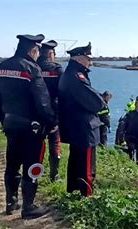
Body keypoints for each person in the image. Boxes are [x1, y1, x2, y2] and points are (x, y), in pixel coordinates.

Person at [0, 34, 57, 219]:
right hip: (32, 127)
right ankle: (29, 206)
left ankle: (11, 201)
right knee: (32, 164)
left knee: (12, 162)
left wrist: (2, 114)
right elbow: (42, 102)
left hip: (10, 123)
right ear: (33, 50)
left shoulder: (0, 67)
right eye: (37, 51)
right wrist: (52, 122)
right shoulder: (32, 69)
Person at [58, 42, 106, 197]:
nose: (90, 62)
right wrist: (102, 100)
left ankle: (73, 193)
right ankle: (87, 196)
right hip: (84, 128)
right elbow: (95, 102)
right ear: (79, 59)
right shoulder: (76, 77)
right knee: (86, 166)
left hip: (76, 127)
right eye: (88, 58)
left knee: (76, 162)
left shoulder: (71, 74)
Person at [37, 40, 63, 182]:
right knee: (54, 144)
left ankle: (35, 173)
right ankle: (54, 175)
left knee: (36, 144)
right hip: (53, 114)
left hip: (35, 113)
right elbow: (64, 93)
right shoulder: (57, 69)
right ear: (51, 54)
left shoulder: (33, 67)